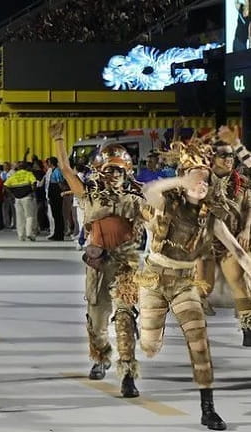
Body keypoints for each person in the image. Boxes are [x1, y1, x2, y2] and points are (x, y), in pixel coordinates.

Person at [137, 138, 251, 431]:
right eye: (196, 179)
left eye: (205, 180)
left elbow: (237, 250)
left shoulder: (211, 216)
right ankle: (146, 332)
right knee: (149, 346)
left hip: (184, 281)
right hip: (154, 278)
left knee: (200, 343)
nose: (202, 184)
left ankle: (208, 408)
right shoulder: (168, 204)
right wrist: (179, 178)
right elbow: (149, 190)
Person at [51, 121, 145, 398]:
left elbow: (159, 219)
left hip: (126, 265)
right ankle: (100, 357)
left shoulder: (135, 200)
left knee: (126, 319)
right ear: (100, 172)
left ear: (127, 172)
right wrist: (58, 142)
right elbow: (67, 170)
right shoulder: (89, 197)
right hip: (98, 264)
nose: (113, 175)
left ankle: (128, 373)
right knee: (97, 317)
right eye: (109, 170)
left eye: (119, 170)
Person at [193, 140, 251, 344]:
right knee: (202, 288)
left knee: (239, 283)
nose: (228, 160)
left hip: (232, 239)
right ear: (212, 158)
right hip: (205, 242)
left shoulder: (242, 182)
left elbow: (249, 208)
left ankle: (248, 328)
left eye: (231, 156)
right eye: (223, 156)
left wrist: (246, 230)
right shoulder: (200, 181)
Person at [4, 162, 37, 241]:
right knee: (29, 216)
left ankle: (21, 236)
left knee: (19, 217)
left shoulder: (14, 175)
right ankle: (29, 233)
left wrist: (12, 194)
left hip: (17, 199)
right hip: (27, 197)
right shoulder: (29, 174)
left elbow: (5, 185)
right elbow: (34, 183)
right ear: (26, 168)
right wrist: (32, 191)